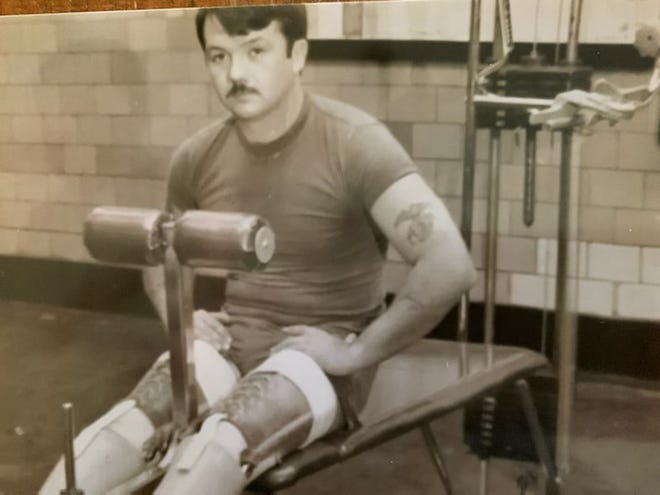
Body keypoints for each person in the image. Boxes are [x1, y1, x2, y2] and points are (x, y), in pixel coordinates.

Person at [40, 5, 476, 494]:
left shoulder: (356, 142)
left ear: (297, 55)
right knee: (113, 439)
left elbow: (449, 265)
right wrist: (180, 320)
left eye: (255, 51)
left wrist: (357, 353)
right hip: (231, 343)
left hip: (317, 355)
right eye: (219, 56)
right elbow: (159, 249)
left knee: (213, 449)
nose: (236, 74)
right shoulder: (197, 155)